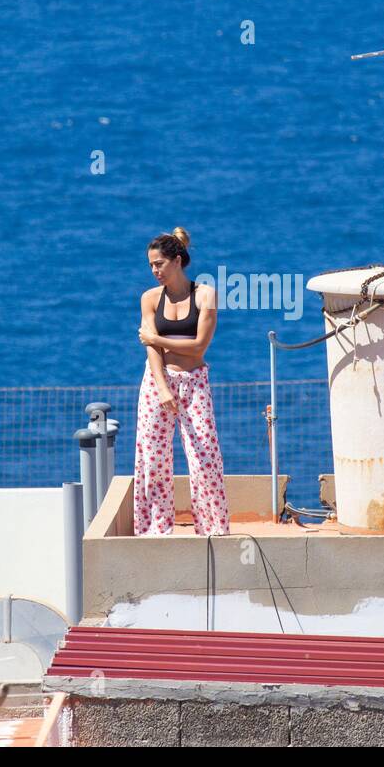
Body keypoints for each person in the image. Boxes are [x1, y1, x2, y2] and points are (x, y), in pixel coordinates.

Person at [133, 228, 230, 536]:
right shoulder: (149, 299)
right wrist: (162, 388)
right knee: (153, 457)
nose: (154, 270)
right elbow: (152, 350)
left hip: (194, 383)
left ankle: (212, 526)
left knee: (204, 457)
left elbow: (199, 346)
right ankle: (156, 526)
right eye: (150, 265)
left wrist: (158, 338)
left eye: (159, 263)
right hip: (156, 383)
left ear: (177, 261)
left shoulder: (205, 295)